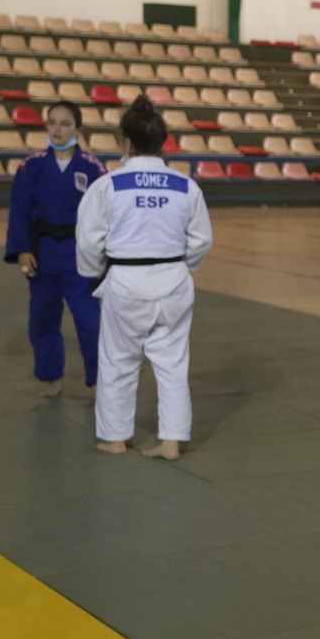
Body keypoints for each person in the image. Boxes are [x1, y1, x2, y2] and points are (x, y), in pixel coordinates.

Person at [75, 96, 213, 460]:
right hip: (173, 279)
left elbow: (89, 239)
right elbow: (201, 240)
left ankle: (115, 437)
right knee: (172, 363)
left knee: (118, 362)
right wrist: (184, 266)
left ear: (127, 142)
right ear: (162, 142)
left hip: (126, 280)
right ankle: (171, 441)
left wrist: (92, 274)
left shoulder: (109, 185)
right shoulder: (185, 186)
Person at [4, 100, 106, 397]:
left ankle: (99, 379)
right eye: (53, 123)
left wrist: (103, 254)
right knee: (41, 320)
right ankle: (51, 377)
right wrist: (23, 250)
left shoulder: (93, 167)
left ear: (77, 129)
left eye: (65, 123)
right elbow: (20, 210)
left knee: (91, 322)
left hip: (80, 254)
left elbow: (104, 214)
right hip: (43, 253)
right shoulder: (31, 166)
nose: (58, 129)